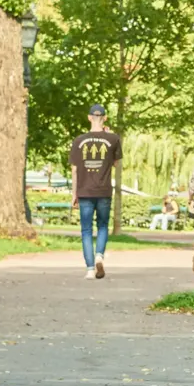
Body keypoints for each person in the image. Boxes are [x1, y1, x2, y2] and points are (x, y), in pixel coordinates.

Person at [70, 105, 122, 280]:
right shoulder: (113, 139)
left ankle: (90, 269)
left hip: (84, 191)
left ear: (89, 118)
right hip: (104, 190)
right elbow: (115, 163)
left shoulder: (79, 140)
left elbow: (75, 170)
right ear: (105, 118)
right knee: (102, 226)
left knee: (86, 230)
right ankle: (99, 255)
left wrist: (74, 194)